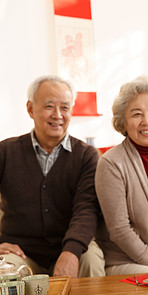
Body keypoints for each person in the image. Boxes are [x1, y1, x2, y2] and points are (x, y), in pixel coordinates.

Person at [0, 75, 104, 277]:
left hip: (72, 247)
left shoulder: (86, 156)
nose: (58, 115)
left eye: (65, 107)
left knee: (91, 259)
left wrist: (71, 251)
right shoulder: (5, 151)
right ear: (30, 109)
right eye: (49, 106)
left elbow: (87, 208)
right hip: (20, 253)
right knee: (5, 271)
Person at [95, 76, 148, 275]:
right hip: (127, 262)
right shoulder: (110, 163)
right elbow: (120, 230)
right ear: (123, 122)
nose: (147, 121)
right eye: (136, 114)